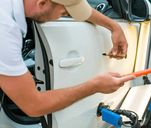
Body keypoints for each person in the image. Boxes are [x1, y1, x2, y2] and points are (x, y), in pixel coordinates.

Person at [0, 0, 134, 117]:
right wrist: (95, 86)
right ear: (42, 3)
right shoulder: (5, 31)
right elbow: (34, 105)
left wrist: (114, 27)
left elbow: (83, 12)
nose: (67, 15)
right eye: (65, 14)